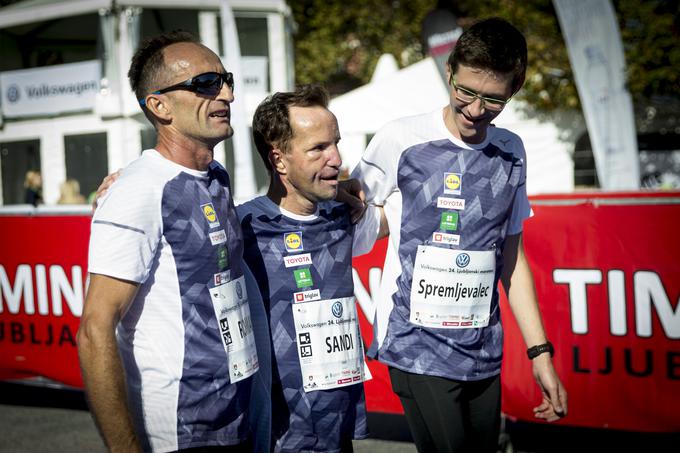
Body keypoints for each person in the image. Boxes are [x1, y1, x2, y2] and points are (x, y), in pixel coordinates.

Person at [351, 18, 568, 453]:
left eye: (493, 100)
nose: (474, 109)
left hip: (483, 348)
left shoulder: (511, 151)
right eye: (465, 92)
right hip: (415, 344)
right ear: (449, 71)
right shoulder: (402, 137)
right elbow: (352, 210)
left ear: (514, 89)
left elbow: (512, 256)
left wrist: (539, 352)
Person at [77, 31, 266, 453]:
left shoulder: (215, 177)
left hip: (233, 417)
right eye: (206, 84)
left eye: (226, 79)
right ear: (159, 105)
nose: (228, 94)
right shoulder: (137, 189)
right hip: (178, 432)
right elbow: (94, 329)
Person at [239, 85, 387, 452]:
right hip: (277, 434)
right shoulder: (240, 228)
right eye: (318, 148)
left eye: (335, 143)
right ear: (279, 160)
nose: (336, 158)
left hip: (338, 430)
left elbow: (413, 206)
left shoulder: (345, 214)